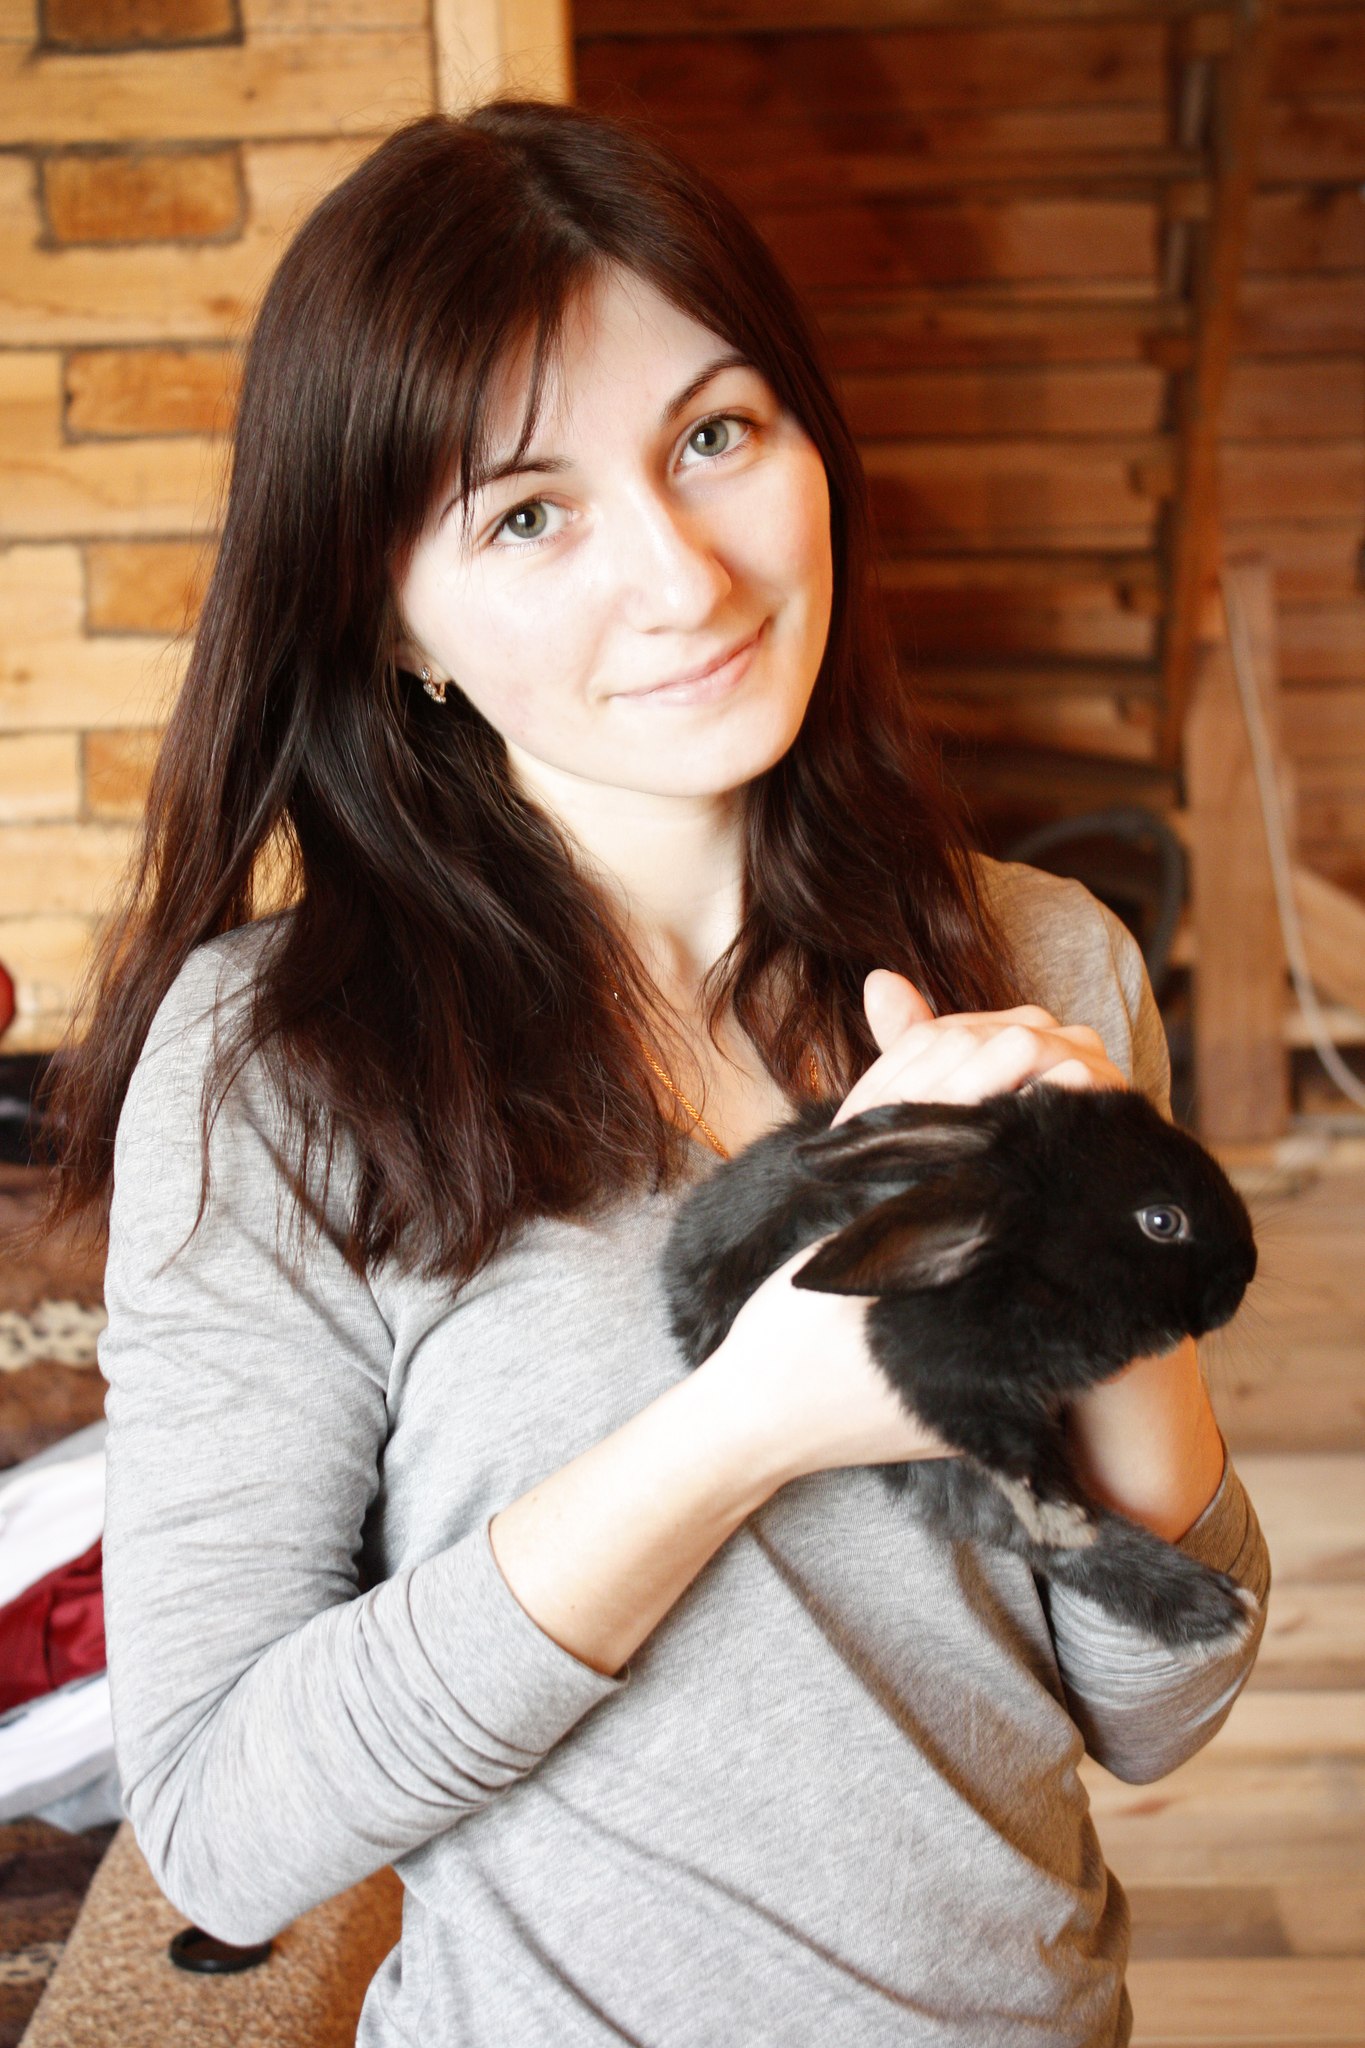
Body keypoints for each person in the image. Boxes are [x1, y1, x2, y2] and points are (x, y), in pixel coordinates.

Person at [48, 100, 1268, 2046]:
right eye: (528, 515)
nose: (684, 576)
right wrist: (741, 1424)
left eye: (713, 436)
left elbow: (1156, 1704)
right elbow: (218, 1833)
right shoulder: (272, 1067)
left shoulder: (1045, 965)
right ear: (390, 615)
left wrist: (1102, 1257)